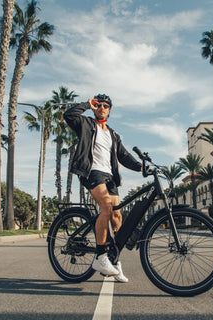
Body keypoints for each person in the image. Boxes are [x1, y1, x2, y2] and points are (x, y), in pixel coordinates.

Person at [63, 94, 142, 283]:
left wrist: (141, 167)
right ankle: (100, 257)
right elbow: (68, 115)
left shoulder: (113, 134)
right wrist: (86, 104)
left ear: (110, 110)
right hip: (92, 172)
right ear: (95, 107)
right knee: (106, 207)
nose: (102, 107)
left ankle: (115, 262)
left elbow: (124, 156)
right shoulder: (86, 124)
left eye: (105, 106)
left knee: (117, 218)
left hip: (109, 176)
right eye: (98, 105)